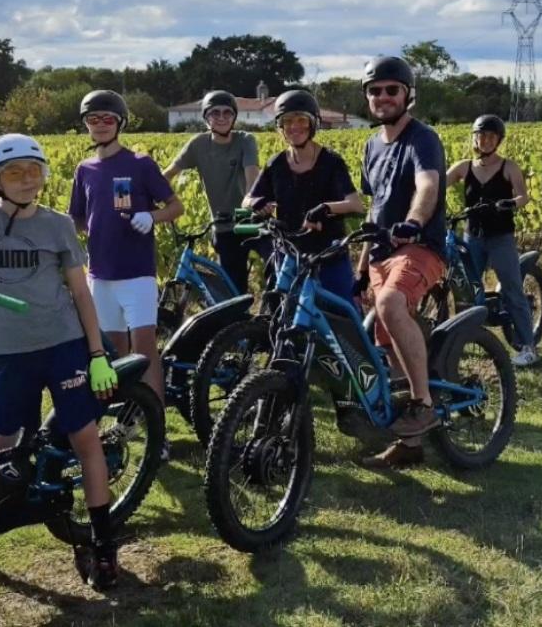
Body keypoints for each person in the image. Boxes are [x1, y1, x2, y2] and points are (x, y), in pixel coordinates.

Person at [0, 134, 120, 590]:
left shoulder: (56, 226)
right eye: (14, 173)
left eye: (34, 171)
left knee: (85, 438)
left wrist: (96, 354)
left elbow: (80, 292)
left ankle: (103, 543)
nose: (27, 180)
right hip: (9, 353)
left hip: (63, 345)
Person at [68, 90, 183, 459]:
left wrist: (152, 216)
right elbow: (77, 219)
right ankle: (127, 421)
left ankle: (159, 433)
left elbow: (175, 206)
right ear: (85, 124)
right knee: (114, 355)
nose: (99, 125)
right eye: (93, 119)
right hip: (99, 276)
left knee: (145, 352)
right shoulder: (84, 169)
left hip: (137, 275)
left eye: (107, 119)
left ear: (120, 123)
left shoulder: (140, 164)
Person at [354, 55, 446, 469]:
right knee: (384, 342)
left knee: (391, 305)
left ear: (407, 94)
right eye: (375, 90)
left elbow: (427, 185)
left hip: (420, 247)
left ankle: (423, 402)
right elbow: (374, 210)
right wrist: (360, 269)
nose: (382, 97)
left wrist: (413, 221)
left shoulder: (423, 139)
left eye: (391, 89)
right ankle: (410, 446)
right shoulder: (371, 146)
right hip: (380, 253)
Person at [243, 89, 364, 301]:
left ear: (313, 124)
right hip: (289, 254)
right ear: (280, 127)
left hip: (328, 254)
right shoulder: (276, 164)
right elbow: (247, 200)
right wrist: (257, 202)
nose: (294, 127)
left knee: (343, 316)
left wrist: (326, 208)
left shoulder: (331, 162)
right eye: (287, 122)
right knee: (285, 316)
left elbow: (355, 204)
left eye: (301, 120)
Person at [445, 114, 537, 366]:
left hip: (500, 237)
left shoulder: (509, 167)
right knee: (466, 289)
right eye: (480, 135)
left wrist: (511, 203)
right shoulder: (464, 167)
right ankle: (463, 338)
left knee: (512, 289)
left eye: (490, 136)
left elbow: (523, 196)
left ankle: (528, 346)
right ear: (474, 138)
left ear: (498, 140)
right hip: (472, 236)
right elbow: (438, 184)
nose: (484, 140)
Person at [162, 90, 261, 294]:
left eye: (227, 113)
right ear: (206, 117)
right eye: (215, 113)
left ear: (234, 117)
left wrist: (249, 204)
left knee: (275, 270)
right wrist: (147, 194)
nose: (222, 117)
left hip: (248, 219)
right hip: (222, 224)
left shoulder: (245, 140)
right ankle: (237, 323)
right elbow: (169, 173)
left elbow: (252, 178)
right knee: (231, 288)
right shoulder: (198, 145)